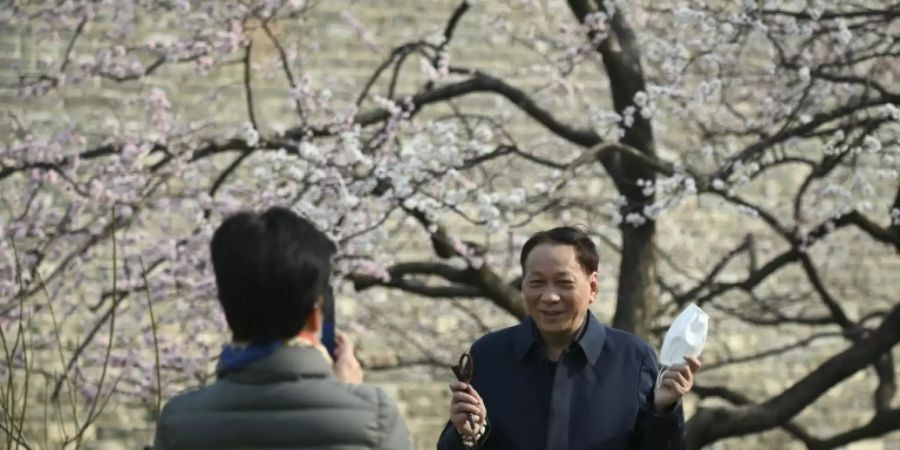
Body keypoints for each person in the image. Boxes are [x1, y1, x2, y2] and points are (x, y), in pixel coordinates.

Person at [153, 207, 414, 450]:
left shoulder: (179, 422)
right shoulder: (374, 418)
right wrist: (348, 397)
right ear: (315, 315)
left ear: (227, 308)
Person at [437, 226, 701, 450]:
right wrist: (470, 434)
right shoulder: (490, 355)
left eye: (564, 283)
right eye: (537, 282)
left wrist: (664, 411)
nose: (549, 296)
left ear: (593, 287)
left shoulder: (633, 358)